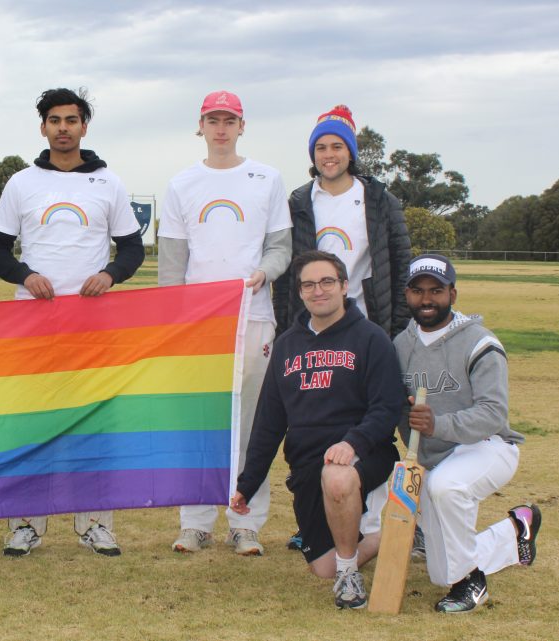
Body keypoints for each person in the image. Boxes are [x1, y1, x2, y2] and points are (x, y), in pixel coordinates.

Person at [0, 87, 145, 557]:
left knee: (92, 420)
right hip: (32, 323)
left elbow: (132, 249)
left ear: (84, 127)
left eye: (71, 120)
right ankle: (25, 524)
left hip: (90, 324)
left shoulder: (108, 183)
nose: (63, 128)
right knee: (31, 423)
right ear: (43, 128)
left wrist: (110, 274)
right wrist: (25, 275)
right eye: (54, 120)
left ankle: (95, 522)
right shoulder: (21, 183)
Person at [158, 90, 291, 556]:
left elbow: (280, 248)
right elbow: (172, 265)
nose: (221, 128)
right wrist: (176, 324)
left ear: (241, 126)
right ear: (201, 126)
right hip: (199, 327)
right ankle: (195, 522)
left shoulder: (267, 179)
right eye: (213, 120)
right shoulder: (181, 184)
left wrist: (264, 274)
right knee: (200, 422)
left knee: (251, 425)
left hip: (253, 317)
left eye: (229, 120)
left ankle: (245, 522)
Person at [274, 104, 412, 554]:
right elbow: (289, 270)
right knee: (314, 421)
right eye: (321, 147)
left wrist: (398, 324)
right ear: (312, 155)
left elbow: (398, 260)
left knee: (372, 421)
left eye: (337, 147)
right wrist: (287, 327)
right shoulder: (298, 201)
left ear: (350, 153)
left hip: (367, 324)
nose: (329, 155)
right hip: (315, 325)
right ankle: (318, 517)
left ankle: (393, 515)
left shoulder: (379, 199)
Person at [231, 250, 402, 609]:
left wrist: (353, 443)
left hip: (364, 454)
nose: (318, 290)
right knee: (322, 567)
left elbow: (387, 407)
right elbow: (269, 421)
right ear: (300, 293)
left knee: (338, 477)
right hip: (308, 464)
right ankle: (396, 536)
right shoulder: (286, 346)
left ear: (343, 285)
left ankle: (349, 574)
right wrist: (248, 483)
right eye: (308, 284)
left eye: (326, 281)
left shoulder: (372, 339)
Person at [394, 254, 541, 613]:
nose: (426, 300)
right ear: (407, 294)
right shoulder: (400, 346)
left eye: (436, 291)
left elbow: (493, 413)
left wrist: (438, 425)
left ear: (453, 294)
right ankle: (515, 529)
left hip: (487, 446)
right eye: (418, 291)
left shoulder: (479, 342)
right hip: (433, 458)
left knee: (447, 486)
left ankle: (471, 584)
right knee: (439, 572)